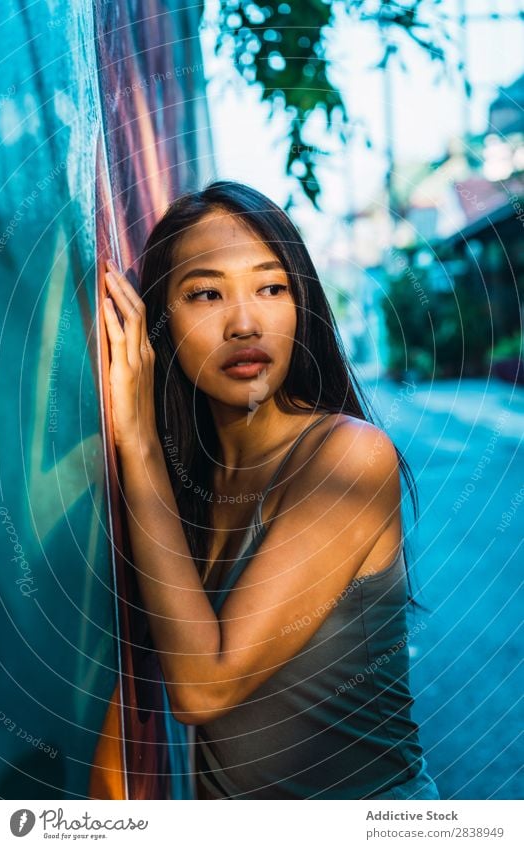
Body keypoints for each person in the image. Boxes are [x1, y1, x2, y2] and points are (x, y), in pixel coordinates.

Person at [102, 179, 439, 800]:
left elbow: (204, 686)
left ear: (300, 305)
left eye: (272, 287)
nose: (245, 322)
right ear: (161, 325)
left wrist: (139, 441)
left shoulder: (348, 456)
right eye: (206, 293)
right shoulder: (190, 485)